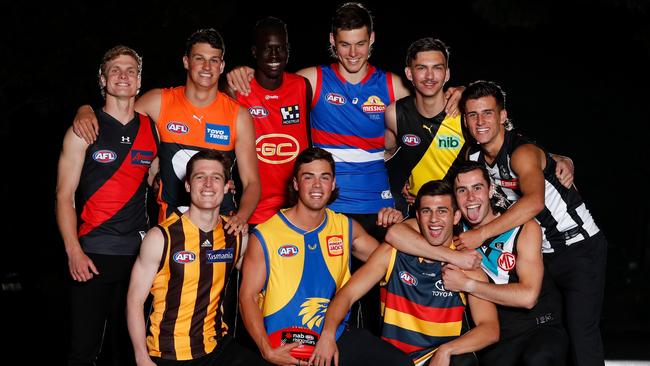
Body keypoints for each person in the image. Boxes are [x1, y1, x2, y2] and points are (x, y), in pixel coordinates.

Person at [459, 81, 606, 366]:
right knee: (552, 334)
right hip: (541, 250)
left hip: (578, 248)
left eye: (487, 113)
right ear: (465, 119)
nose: (480, 121)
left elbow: (534, 203)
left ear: (503, 117)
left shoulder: (521, 152)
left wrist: (481, 235)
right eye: (473, 114)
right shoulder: (474, 157)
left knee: (581, 336)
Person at [73, 28, 260, 235]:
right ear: (186, 61)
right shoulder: (159, 102)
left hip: (220, 228)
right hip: (170, 229)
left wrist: (242, 216)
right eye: (199, 58)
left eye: (214, 60)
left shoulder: (238, 115)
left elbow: (252, 182)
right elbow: (116, 115)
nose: (207, 67)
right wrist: (86, 109)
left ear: (222, 65)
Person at [239, 147, 407, 365]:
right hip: (286, 345)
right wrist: (266, 350)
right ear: (296, 184)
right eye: (308, 177)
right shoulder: (266, 234)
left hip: (333, 336)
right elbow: (247, 298)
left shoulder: (345, 228)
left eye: (324, 177)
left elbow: (390, 262)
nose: (317, 185)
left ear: (333, 183)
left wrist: (396, 229)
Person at [310, 180, 499, 366]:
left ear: (456, 217)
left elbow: (490, 329)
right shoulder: (392, 253)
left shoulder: (467, 265)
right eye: (427, 211)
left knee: (464, 362)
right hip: (392, 359)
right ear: (417, 216)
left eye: (442, 211)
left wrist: (447, 350)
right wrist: (327, 335)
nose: (434, 219)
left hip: (437, 359)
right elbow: (347, 295)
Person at [385, 37, 574, 216]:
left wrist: (556, 158)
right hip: (423, 211)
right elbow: (382, 155)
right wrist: (402, 184)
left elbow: (508, 143)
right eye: (421, 68)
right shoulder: (395, 114)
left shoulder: (465, 113)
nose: (429, 76)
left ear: (447, 73)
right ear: (409, 73)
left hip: (466, 211)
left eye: (437, 68)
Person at [55, 45, 158, 366]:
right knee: (83, 352)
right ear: (103, 79)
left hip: (138, 259)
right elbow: (63, 196)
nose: (123, 76)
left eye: (131, 70)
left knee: (129, 352)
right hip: (92, 256)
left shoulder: (151, 128)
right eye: (115, 70)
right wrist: (74, 250)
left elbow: (159, 183)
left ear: (139, 81)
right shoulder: (84, 129)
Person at [126, 150, 268, 365]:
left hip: (217, 346)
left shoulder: (236, 237)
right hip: (170, 353)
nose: (208, 184)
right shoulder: (161, 237)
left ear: (228, 186)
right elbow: (134, 300)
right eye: (200, 177)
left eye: (216, 178)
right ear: (188, 185)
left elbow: (260, 285)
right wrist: (141, 357)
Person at [443, 161, 567, 365]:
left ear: (491, 190)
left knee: (538, 360)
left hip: (540, 327)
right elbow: (403, 232)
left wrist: (467, 285)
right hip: (499, 336)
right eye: (462, 190)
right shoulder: (454, 232)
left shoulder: (524, 227)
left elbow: (528, 297)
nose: (471, 197)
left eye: (477, 188)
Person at [226, 16, 311, 227]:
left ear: (288, 50)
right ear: (255, 51)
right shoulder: (237, 90)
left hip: (297, 209)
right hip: (254, 211)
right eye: (267, 49)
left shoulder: (302, 86)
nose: (274, 55)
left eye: (280, 48)